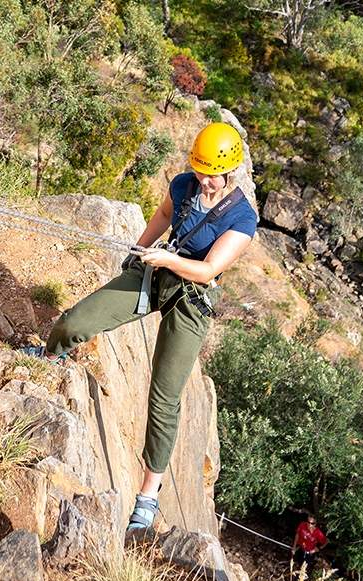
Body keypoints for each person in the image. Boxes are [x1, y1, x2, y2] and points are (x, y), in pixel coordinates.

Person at [24, 122, 257, 531]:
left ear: (230, 172)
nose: (203, 179)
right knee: (76, 320)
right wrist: (141, 245)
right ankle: (49, 355)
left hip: (190, 301)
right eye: (199, 169)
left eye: (211, 174)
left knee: (165, 396)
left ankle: (148, 496)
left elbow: (208, 270)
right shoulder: (185, 184)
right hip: (155, 273)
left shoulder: (242, 217)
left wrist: (164, 259)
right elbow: (165, 214)